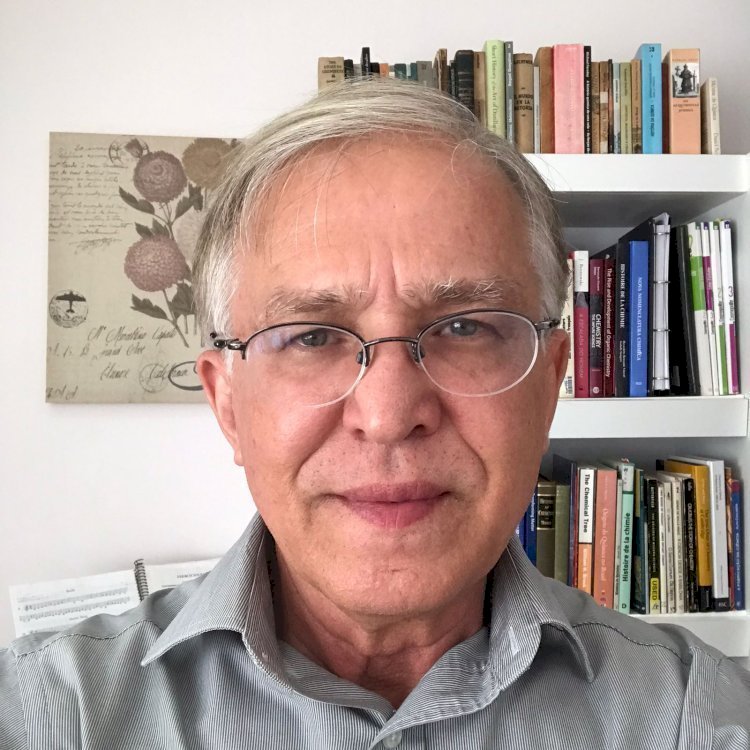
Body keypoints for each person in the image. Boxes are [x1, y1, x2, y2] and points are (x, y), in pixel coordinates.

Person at [2, 79, 749, 749]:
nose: (389, 414)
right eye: (312, 336)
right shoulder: (46, 714)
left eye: (466, 327)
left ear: (548, 384)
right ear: (227, 402)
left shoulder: (695, 714)